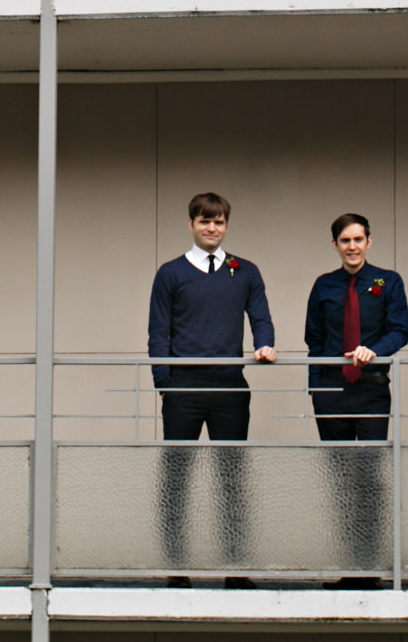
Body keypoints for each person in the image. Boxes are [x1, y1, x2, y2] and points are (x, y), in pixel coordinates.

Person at [146, 192, 275, 580]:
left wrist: (265, 343)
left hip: (230, 388)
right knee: (177, 478)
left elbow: (261, 317)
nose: (212, 228)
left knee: (232, 477)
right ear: (191, 225)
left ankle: (236, 566)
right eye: (205, 221)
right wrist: (165, 385)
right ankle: (176, 566)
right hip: (183, 388)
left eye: (218, 222)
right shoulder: (170, 273)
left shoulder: (245, 271)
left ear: (226, 226)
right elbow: (157, 332)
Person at [302, 213, 408, 588]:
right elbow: (313, 340)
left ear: (369, 242)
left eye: (358, 239)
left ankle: (372, 566)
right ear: (335, 245)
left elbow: (400, 331)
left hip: (371, 389)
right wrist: (315, 387)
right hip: (331, 392)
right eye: (345, 241)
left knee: (369, 477)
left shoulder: (388, 282)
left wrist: (373, 351)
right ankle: (351, 567)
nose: (352, 247)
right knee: (341, 479)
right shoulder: (324, 286)